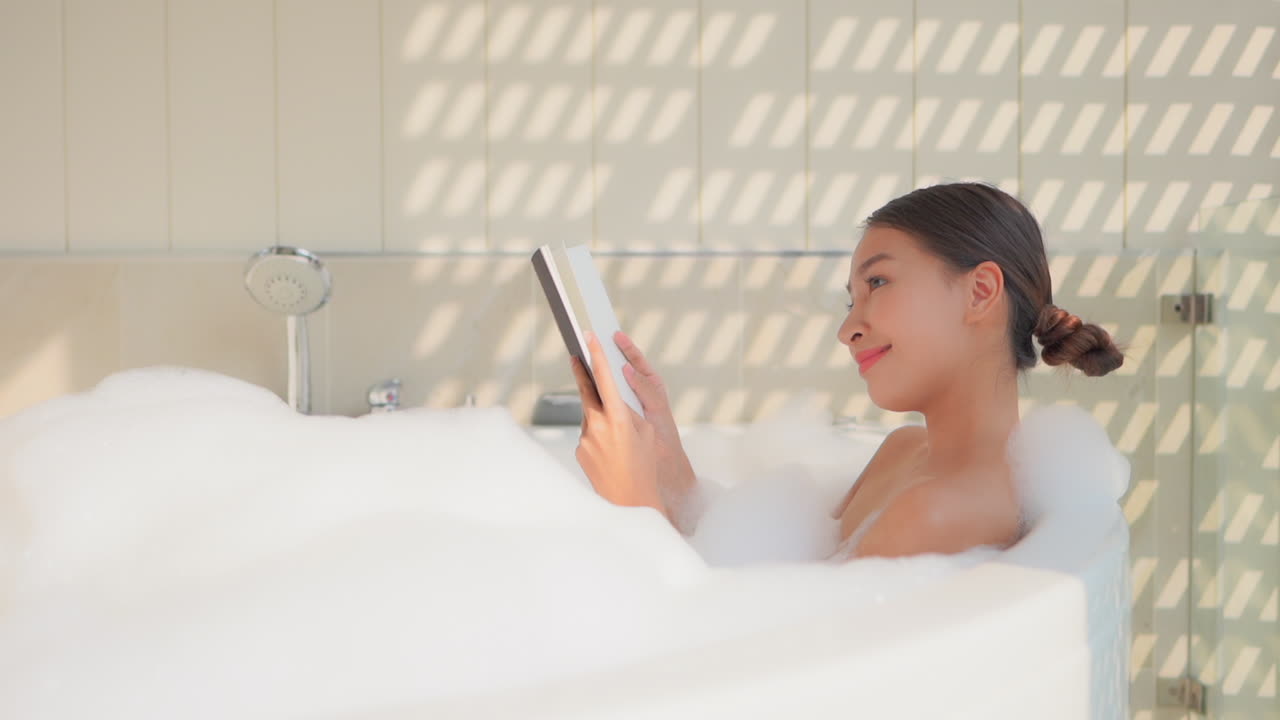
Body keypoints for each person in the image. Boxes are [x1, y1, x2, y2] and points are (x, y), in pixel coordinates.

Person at [567, 182, 1126, 560]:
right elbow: (758, 588)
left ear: (980, 292)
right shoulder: (905, 453)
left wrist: (632, 508)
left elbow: (751, 668)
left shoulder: (948, 509)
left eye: (877, 283)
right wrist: (666, 459)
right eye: (850, 299)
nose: (848, 329)